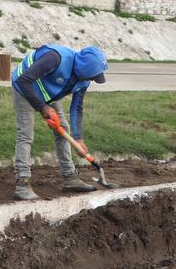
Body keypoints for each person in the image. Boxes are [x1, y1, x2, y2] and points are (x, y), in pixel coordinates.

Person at [10, 43, 109, 201]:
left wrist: (78, 138)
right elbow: (24, 80)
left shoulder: (83, 80)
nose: (92, 79)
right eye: (93, 75)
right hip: (24, 88)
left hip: (47, 93)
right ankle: (23, 183)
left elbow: (77, 108)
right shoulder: (55, 58)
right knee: (26, 133)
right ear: (85, 68)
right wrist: (43, 107)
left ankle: (70, 177)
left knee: (63, 128)